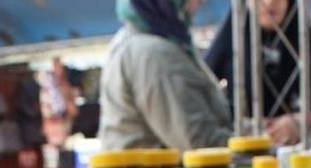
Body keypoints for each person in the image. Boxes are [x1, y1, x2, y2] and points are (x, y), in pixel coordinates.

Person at [205, 0, 311, 145]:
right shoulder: (232, 38)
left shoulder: (306, 44)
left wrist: (303, 122)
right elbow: (200, 103)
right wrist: (243, 125)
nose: (270, 2)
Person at [98, 0, 232, 151]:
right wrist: (246, 141)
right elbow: (196, 142)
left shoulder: (141, 41)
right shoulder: (153, 53)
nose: (201, 2)